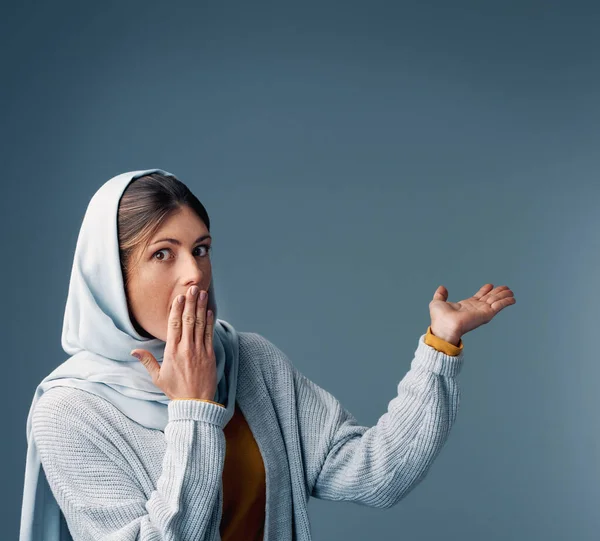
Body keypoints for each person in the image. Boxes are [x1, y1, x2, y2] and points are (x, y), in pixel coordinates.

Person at [19, 169, 516, 541]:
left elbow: (376, 474)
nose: (193, 273)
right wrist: (193, 407)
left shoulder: (249, 361)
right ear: (110, 275)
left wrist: (440, 344)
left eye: (202, 249)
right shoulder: (69, 414)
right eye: (162, 253)